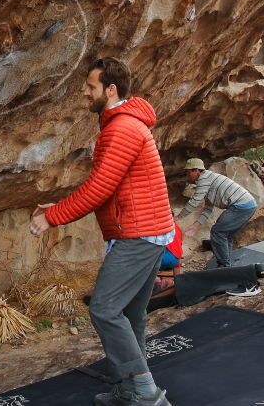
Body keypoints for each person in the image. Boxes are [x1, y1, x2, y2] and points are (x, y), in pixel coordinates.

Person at [30, 58, 174, 406]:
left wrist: (53, 218)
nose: (84, 92)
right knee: (129, 314)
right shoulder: (125, 124)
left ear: (111, 89)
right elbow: (107, 185)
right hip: (149, 231)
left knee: (105, 310)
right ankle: (131, 390)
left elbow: (100, 189)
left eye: (90, 86)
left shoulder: (121, 128)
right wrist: (58, 206)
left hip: (138, 234)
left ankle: (143, 392)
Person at [176, 158, 258, 270]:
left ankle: (224, 266)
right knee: (226, 234)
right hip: (248, 205)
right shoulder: (208, 180)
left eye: (188, 172)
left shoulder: (204, 179)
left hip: (241, 206)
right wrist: (196, 225)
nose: (187, 175)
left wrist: (178, 217)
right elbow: (208, 208)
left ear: (196, 170)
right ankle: (227, 263)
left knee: (218, 231)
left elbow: (194, 201)